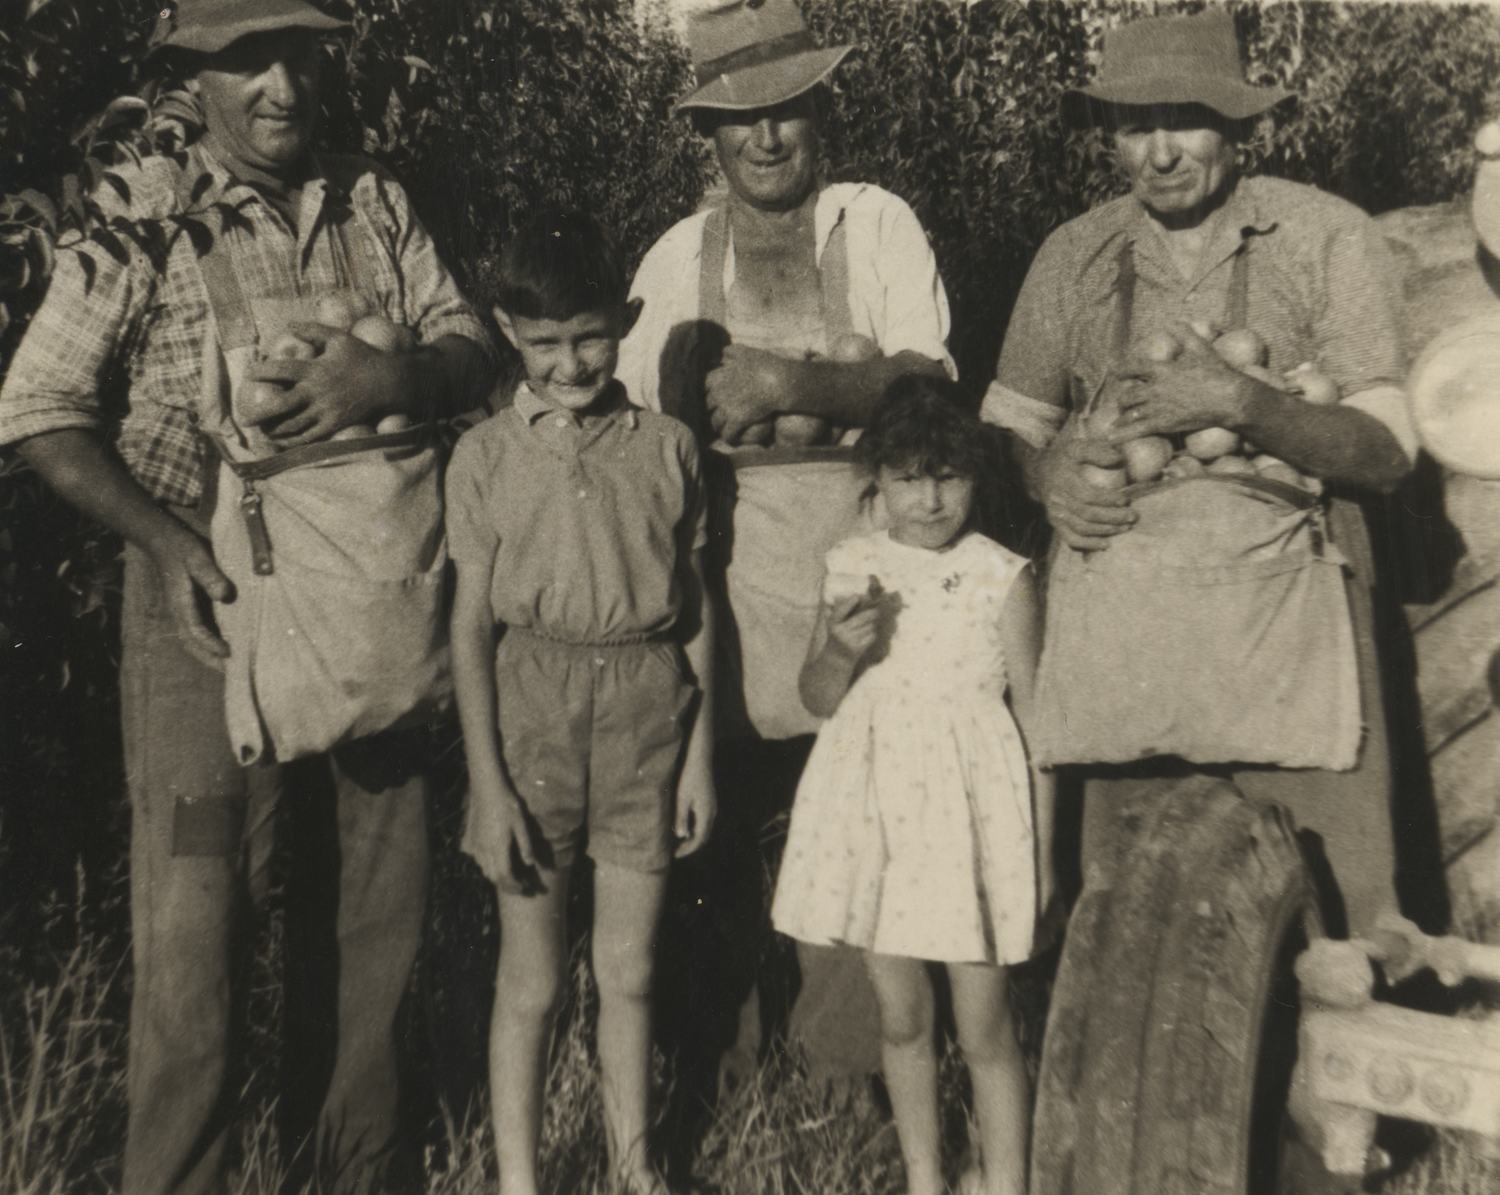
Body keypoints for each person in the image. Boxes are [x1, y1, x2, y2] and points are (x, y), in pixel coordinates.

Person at [0, 4, 496, 1192]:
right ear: (192, 77)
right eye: (247, 61)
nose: (282, 86)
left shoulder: (372, 199)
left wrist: (403, 371)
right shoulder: (141, 211)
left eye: (302, 57)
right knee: (196, 929)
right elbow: (38, 410)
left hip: (377, 614)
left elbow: (476, 344)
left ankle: (357, 1173)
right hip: (206, 632)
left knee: (376, 920)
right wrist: (170, 546)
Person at [983, 8, 1417, 938]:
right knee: (1134, 929)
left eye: (1183, 119)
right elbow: (1009, 431)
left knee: (1338, 927)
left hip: (1290, 641)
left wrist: (1242, 404)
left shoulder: (1323, 238)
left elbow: (1385, 456)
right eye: (1136, 125)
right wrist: (1045, 472)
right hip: (1128, 654)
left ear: (1238, 126)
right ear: (1108, 135)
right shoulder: (1075, 255)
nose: (1160, 151)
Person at [617, 0, 955, 1089]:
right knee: (712, 820)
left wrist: (795, 385)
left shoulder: (876, 224)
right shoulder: (674, 258)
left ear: (822, 113)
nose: (768, 138)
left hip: (858, 578)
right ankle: (719, 1069)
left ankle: (845, 1075)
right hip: (722, 584)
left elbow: (937, 388)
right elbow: (629, 433)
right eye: (741, 116)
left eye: (789, 111)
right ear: (707, 134)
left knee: (857, 819)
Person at [446, 210, 716, 1195]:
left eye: (592, 336)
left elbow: (695, 611)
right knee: (533, 976)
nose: (571, 363)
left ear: (629, 319)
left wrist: (698, 757)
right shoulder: (482, 458)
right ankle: (519, 1180)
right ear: (508, 330)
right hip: (531, 714)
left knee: (631, 969)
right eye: (547, 342)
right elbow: (470, 628)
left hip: (647, 705)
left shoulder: (670, 447)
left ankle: (635, 1171)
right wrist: (490, 781)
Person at [772, 377, 1050, 1195]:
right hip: (882, 818)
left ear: (974, 478)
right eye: (907, 477)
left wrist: (1044, 854)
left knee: (985, 1020)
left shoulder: (1002, 574)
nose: (929, 500)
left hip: (974, 820)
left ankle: (1006, 1181)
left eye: (949, 476)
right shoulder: (853, 568)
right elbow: (817, 697)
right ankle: (925, 1178)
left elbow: (1038, 727)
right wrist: (839, 651)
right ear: (877, 481)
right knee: (901, 1015)